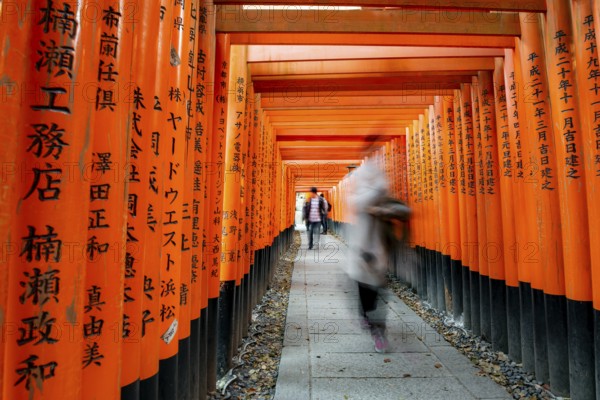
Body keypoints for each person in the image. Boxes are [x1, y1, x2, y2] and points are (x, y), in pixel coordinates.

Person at [344, 155, 411, 353]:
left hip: (379, 255)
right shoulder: (356, 198)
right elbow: (362, 202)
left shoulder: (382, 198)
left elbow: (404, 211)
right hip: (361, 256)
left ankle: (378, 331)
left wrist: (386, 210)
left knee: (378, 294)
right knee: (366, 295)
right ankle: (369, 321)